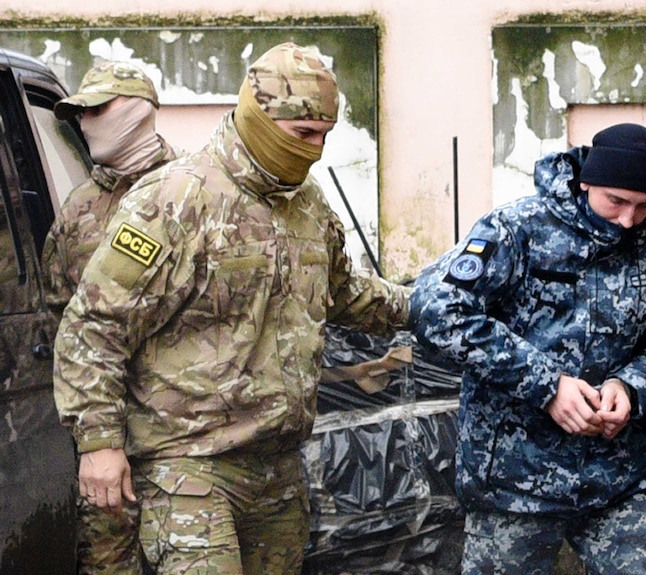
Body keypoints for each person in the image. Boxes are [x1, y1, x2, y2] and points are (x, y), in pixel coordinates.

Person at [52, 42, 411, 575]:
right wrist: (99, 443)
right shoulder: (175, 199)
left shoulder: (308, 205)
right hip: (188, 463)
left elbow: (345, 293)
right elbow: (95, 326)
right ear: (261, 120)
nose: (315, 150)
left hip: (277, 468)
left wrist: (426, 303)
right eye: (302, 135)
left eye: (324, 136)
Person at [409, 123, 646, 574]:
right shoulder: (517, 229)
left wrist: (630, 388)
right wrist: (547, 386)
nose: (628, 220)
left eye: (643, 206)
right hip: (513, 483)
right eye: (616, 201)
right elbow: (435, 309)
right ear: (586, 180)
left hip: (615, 478)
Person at [42, 60, 181, 575]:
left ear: (141, 110)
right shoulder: (78, 212)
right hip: (107, 443)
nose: (86, 121)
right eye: (80, 112)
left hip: (189, 439)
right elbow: (61, 325)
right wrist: (91, 433)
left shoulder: (195, 192)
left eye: (99, 108)